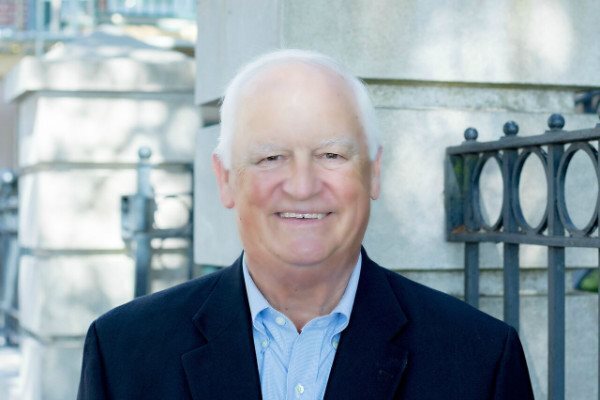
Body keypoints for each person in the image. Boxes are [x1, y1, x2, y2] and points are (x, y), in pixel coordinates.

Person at [77, 50, 534, 400]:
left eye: (331, 155)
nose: (301, 186)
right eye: (271, 157)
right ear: (225, 179)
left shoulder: (480, 360)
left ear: (374, 173)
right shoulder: (123, 352)